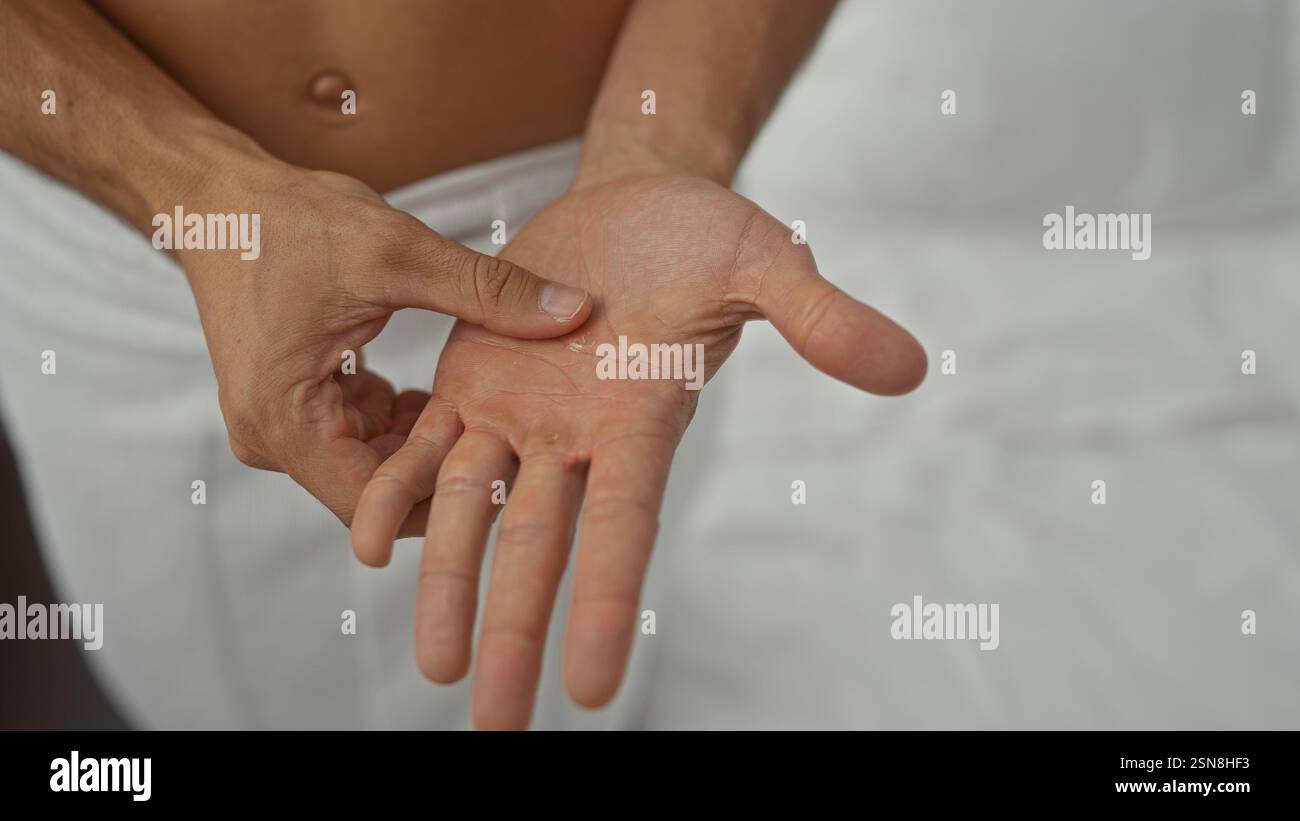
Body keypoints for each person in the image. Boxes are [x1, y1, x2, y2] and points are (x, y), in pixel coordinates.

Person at [0, 0, 925, 729]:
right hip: (149, 246)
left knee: (565, 657)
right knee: (222, 683)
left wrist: (656, 148)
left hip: (595, 246)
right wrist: (198, 195)